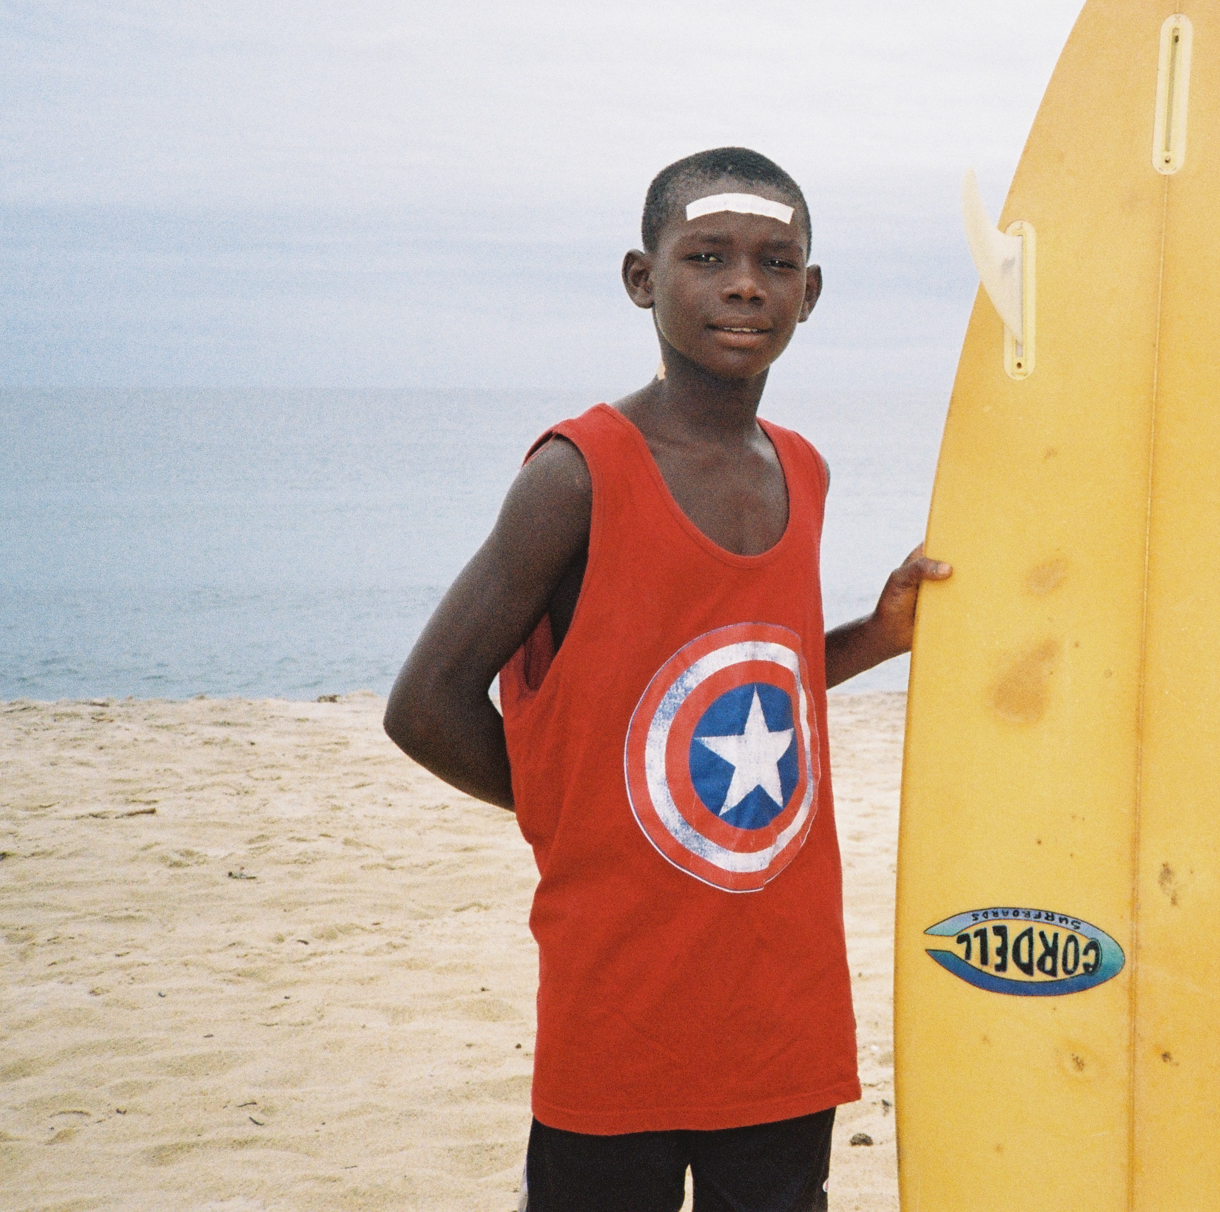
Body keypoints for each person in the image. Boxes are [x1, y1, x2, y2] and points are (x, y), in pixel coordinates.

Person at [383, 146, 949, 1212]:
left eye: (777, 261)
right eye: (708, 256)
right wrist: (578, 807)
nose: (744, 284)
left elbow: (743, 687)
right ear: (644, 278)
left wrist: (875, 635)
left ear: (810, 292)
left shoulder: (802, 467)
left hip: (781, 990)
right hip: (621, 992)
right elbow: (425, 705)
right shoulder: (577, 473)